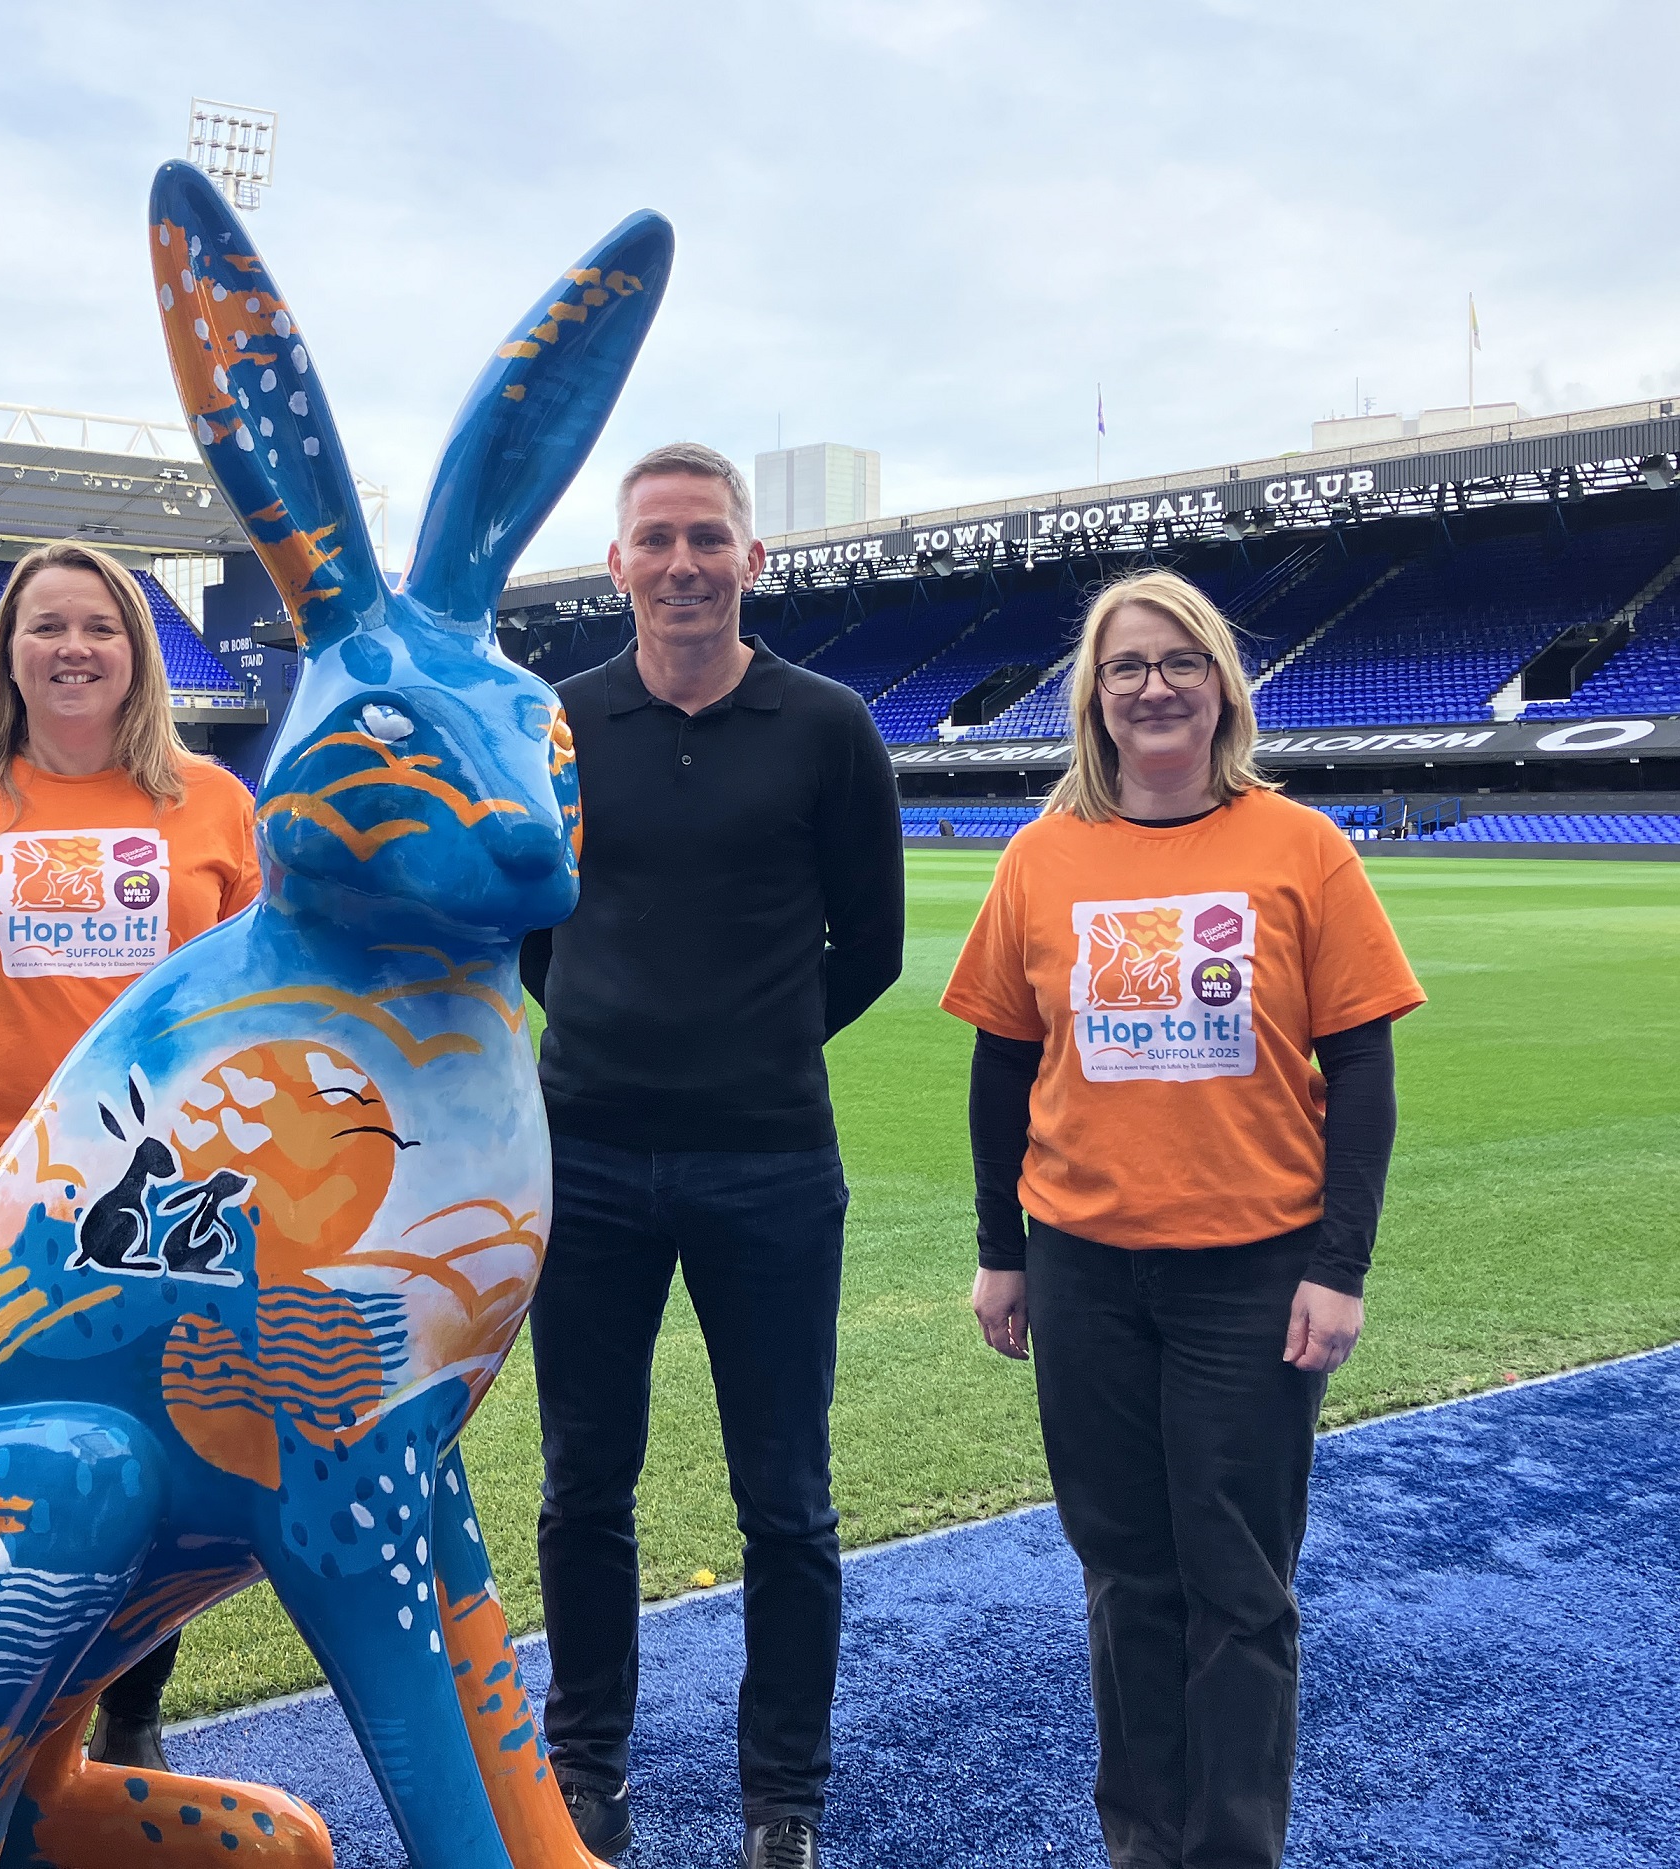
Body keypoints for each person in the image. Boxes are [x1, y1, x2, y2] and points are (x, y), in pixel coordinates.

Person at [942, 568, 1423, 1869]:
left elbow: (1363, 1068)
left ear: (1222, 682)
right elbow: (1000, 1063)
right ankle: (1142, 1845)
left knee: (1240, 1589)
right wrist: (1004, 1248)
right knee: (1125, 1580)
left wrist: (1339, 1264)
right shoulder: (1045, 856)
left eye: (1179, 661)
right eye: (1124, 666)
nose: (1152, 685)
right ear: (1094, 700)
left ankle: (1232, 1851)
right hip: (1089, 1272)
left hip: (1251, 1278)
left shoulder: (1299, 845)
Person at [519, 442, 905, 1869]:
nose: (683, 562)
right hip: (590, 1162)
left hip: (771, 1166)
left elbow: (871, 945)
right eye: (656, 538)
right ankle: (588, 1768)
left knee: (787, 1500)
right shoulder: (557, 726)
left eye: (709, 537)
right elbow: (526, 930)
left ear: (754, 559)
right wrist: (615, 1036)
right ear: (616, 565)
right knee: (583, 1485)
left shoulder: (828, 726)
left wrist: (746, 1040)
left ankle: (782, 1795)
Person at [0, 540, 259, 1771]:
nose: (73, 649)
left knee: (155, 1475)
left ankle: (129, 1719)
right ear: (8, 656)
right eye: (46, 627)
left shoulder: (216, 806)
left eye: (101, 627)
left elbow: (252, 1024)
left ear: (137, 652)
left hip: (158, 1204)